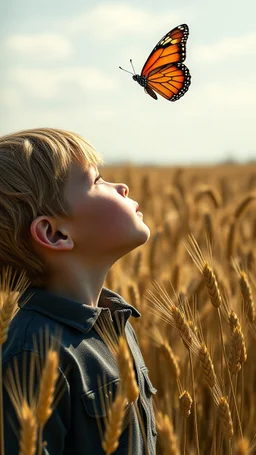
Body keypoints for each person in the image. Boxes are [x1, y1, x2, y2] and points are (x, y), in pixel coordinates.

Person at [1, 128, 157, 454]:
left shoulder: (116, 322)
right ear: (55, 233)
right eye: (96, 180)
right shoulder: (34, 353)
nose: (121, 186)